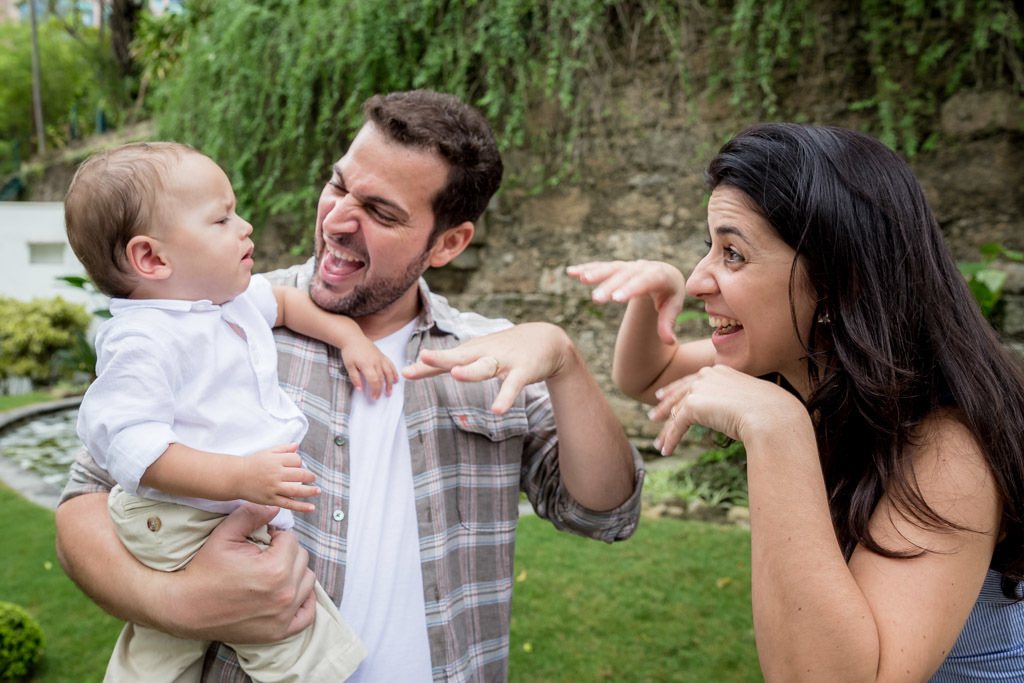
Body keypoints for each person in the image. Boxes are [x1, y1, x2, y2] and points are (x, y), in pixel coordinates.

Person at [56, 90, 644, 682]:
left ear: (448, 243)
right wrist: (177, 605)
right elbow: (85, 503)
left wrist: (566, 363)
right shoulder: (212, 317)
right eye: (338, 186)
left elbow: (605, 514)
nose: (336, 220)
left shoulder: (494, 356)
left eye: (382, 212)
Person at [569, 122, 1024, 681]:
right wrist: (651, 296)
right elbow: (650, 376)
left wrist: (778, 428)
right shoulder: (805, 363)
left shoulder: (950, 447)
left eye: (732, 253)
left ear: (835, 280)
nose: (697, 281)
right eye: (707, 248)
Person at [63, 141, 405, 681]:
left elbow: (289, 303)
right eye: (222, 218)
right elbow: (132, 448)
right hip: (179, 519)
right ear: (152, 258)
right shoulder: (143, 338)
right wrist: (239, 476)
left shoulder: (230, 300)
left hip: (203, 516)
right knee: (293, 634)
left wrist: (349, 338)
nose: (245, 226)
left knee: (160, 655)